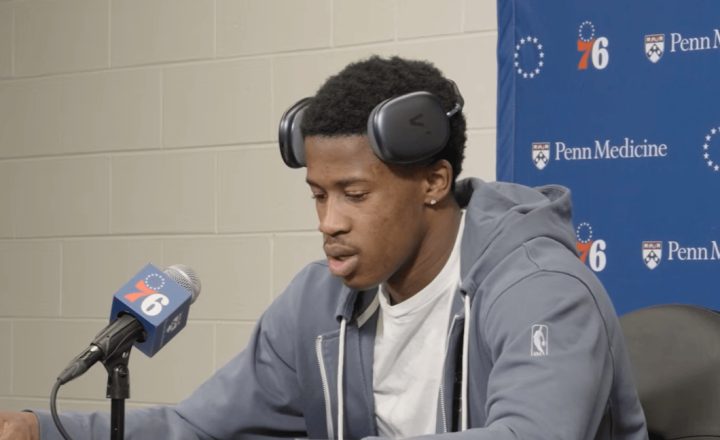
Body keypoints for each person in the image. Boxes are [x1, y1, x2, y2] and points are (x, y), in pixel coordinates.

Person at [0, 56, 648, 439]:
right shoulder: (318, 303)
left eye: (354, 194)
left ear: (433, 182)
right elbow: (199, 428)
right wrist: (42, 429)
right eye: (318, 194)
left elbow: (533, 434)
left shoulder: (539, 288)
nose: (329, 222)